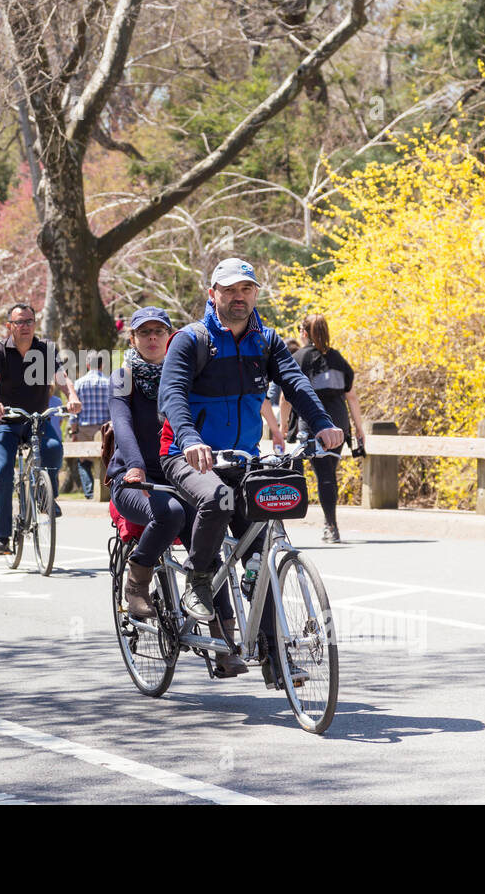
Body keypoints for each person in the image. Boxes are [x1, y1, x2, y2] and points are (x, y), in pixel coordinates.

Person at [158, 258, 342, 685]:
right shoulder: (191, 340)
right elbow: (172, 396)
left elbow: (296, 383)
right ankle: (199, 580)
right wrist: (188, 439)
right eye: (229, 290)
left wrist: (324, 425)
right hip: (187, 456)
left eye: (246, 290)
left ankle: (275, 657)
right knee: (217, 498)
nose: (238, 298)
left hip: (242, 458)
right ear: (213, 295)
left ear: (255, 294)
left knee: (261, 552)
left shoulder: (268, 341)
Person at [108, 307, 250, 677]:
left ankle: (224, 644)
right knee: (170, 512)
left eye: (159, 331)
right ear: (133, 339)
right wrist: (134, 464)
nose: (152, 338)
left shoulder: (185, 372)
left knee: (208, 550)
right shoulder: (124, 376)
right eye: (144, 333)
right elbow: (121, 424)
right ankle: (137, 578)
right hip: (134, 479)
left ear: (170, 335)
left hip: (183, 475)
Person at [0, 303, 81, 555]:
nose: (25, 326)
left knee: (53, 447)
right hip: (4, 421)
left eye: (29, 321)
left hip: (35, 420)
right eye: (19, 322)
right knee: (3, 470)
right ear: (10, 326)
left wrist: (71, 395)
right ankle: (2, 536)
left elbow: (61, 376)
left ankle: (46, 497)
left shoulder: (45, 349)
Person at [280, 313, 367, 544]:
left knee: (324, 473)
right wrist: (359, 429)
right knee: (329, 471)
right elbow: (352, 396)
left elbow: (285, 398)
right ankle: (331, 524)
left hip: (313, 423)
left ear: (305, 333)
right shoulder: (338, 358)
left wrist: (282, 427)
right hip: (339, 422)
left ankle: (331, 526)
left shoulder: (299, 357)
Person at [71, 351, 111, 499]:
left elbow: (74, 412)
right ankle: (107, 491)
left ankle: (89, 493)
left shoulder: (79, 383)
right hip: (104, 428)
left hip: (84, 429)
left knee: (83, 461)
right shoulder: (109, 382)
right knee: (105, 460)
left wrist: (74, 432)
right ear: (102, 365)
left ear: (88, 365)